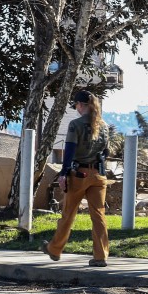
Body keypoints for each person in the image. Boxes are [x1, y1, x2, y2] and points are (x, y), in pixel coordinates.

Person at [42, 90, 110, 267]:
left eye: (77, 105)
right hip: (99, 175)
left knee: (68, 214)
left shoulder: (75, 125)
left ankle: (55, 249)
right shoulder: (104, 126)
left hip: (79, 175)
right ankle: (101, 256)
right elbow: (106, 152)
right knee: (99, 216)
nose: (76, 109)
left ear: (81, 105)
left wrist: (64, 173)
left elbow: (70, 151)